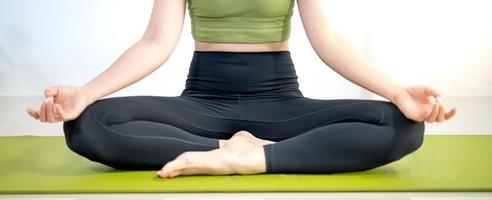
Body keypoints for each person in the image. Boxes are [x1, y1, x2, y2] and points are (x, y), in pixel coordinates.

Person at [27, 0, 456, 179]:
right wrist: (86, 92)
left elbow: (330, 43)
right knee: (90, 123)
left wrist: (398, 92)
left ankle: (256, 156)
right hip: (201, 102)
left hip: (281, 101)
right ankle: (225, 149)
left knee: (402, 126)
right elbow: (155, 43)